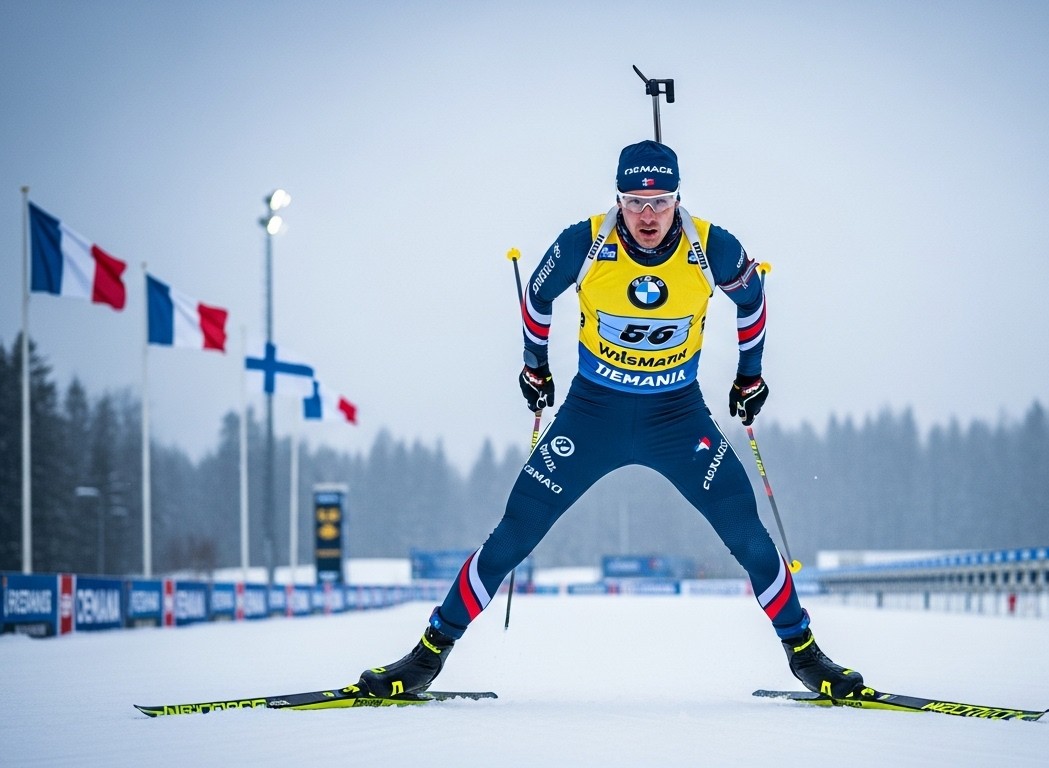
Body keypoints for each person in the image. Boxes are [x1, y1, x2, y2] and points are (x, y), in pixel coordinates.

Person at [358, 140, 866, 701]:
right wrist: (534, 367)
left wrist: (751, 375)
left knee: (747, 534)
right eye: (634, 201)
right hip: (591, 415)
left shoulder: (711, 245)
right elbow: (537, 295)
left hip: (677, 417)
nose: (647, 216)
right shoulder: (585, 240)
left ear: (678, 198)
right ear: (618, 199)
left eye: (660, 201)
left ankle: (805, 655)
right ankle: (428, 655)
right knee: (511, 536)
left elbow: (754, 301)